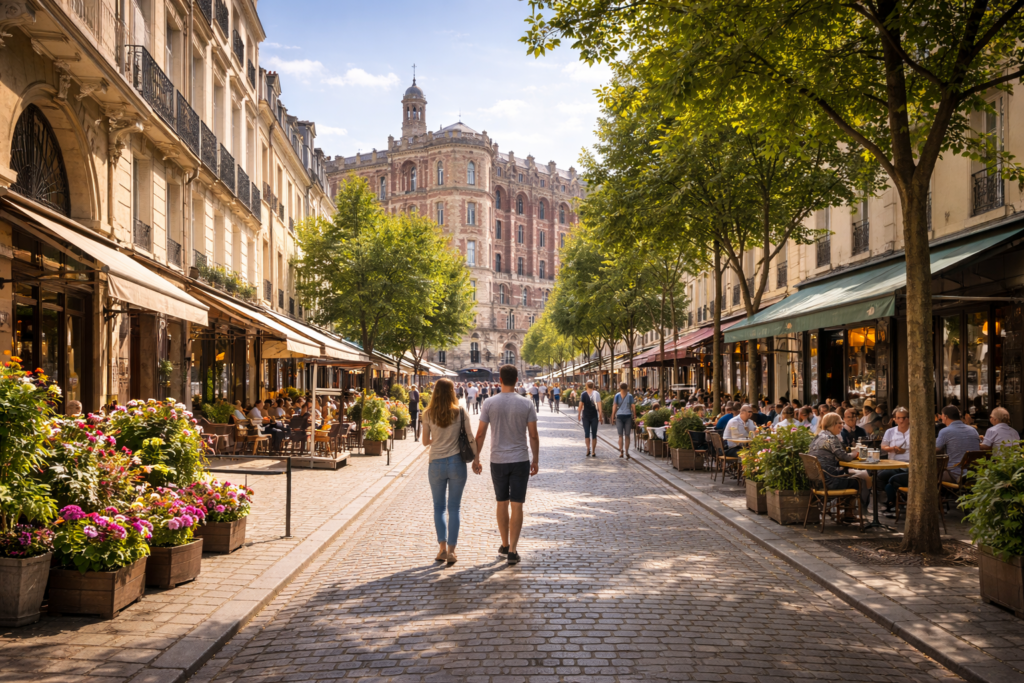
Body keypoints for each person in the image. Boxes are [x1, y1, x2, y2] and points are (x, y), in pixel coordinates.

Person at [475, 364, 539, 566]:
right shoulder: (527, 403)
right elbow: (533, 435)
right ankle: (512, 550)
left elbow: (480, 433)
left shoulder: (489, 403)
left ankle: (504, 544)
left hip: (498, 459)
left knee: (501, 502)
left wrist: (476, 458)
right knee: (517, 504)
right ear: (517, 380)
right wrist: (535, 459)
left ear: (500, 380)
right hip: (520, 459)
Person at [420, 378, 476, 566]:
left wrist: (437, 438)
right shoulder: (460, 412)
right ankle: (452, 551)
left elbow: (425, 441)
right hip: (457, 463)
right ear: (453, 392)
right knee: (454, 507)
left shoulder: (428, 413)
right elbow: (470, 437)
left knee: (439, 507)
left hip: (435, 462)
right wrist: (477, 459)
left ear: (435, 392)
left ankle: (442, 549)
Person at [809, 413, 870, 508]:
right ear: (833, 423)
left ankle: (847, 512)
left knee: (853, 474)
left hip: (817, 481)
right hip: (830, 481)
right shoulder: (831, 438)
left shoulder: (818, 436)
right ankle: (850, 513)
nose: (842, 425)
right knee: (858, 480)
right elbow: (845, 457)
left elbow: (829, 457)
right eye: (840, 423)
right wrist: (856, 452)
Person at [878, 407, 911, 515]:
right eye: (898, 418)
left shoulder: (915, 431)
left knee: (887, 478)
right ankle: (894, 500)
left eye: (904, 418)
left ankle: (892, 502)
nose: (901, 421)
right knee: (879, 476)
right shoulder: (890, 431)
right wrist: (893, 449)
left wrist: (905, 450)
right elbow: (883, 446)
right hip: (893, 464)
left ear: (909, 419)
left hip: (909, 466)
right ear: (894, 419)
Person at [936, 405, 982, 480]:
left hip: (955, 473)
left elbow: (936, 449)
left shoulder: (945, 431)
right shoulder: (973, 430)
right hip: (974, 473)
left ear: (946, 417)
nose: (941, 417)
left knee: (932, 473)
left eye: (942, 415)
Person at [578, 380, 603, 457]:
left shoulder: (583, 394)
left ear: (586, 386)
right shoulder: (597, 394)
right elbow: (600, 407)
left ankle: (588, 448)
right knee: (594, 434)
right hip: (594, 416)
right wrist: (601, 416)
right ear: (593, 386)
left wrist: (579, 414)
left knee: (587, 433)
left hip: (585, 416)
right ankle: (593, 451)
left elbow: (580, 406)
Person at [613, 382, 637, 459]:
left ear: (620, 387)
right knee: (627, 435)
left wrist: (613, 415)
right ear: (627, 388)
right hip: (628, 416)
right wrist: (635, 415)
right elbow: (633, 406)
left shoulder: (617, 395)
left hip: (619, 416)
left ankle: (621, 451)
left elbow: (614, 406)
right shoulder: (630, 396)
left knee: (620, 435)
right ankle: (627, 452)